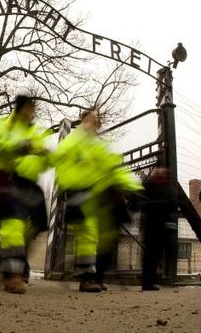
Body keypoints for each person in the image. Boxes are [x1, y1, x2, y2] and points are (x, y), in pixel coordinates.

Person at [51, 109, 143, 292]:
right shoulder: (74, 140)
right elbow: (62, 158)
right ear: (83, 120)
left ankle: (93, 275)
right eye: (91, 119)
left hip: (95, 194)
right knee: (87, 233)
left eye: (96, 120)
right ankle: (87, 278)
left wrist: (132, 185)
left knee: (101, 237)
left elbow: (112, 168)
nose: (94, 122)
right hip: (80, 190)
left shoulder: (98, 146)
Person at [0, 96, 51, 294]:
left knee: (38, 227)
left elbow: (43, 162)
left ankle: (7, 258)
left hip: (31, 185)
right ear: (18, 108)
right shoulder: (3, 125)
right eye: (26, 108)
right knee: (13, 224)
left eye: (31, 109)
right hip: (9, 179)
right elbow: (0, 146)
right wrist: (25, 146)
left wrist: (46, 156)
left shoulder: (35, 131)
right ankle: (13, 275)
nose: (29, 112)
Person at [141, 164, 178, 291]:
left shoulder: (150, 187)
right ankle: (149, 281)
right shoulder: (165, 188)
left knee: (153, 255)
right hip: (156, 225)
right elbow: (172, 204)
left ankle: (150, 280)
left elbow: (144, 204)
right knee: (153, 254)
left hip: (155, 225)